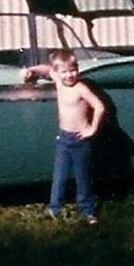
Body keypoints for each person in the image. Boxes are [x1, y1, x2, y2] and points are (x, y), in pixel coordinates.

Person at [21, 48, 106, 224]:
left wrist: (92, 128)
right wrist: (31, 70)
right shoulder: (59, 82)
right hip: (64, 139)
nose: (69, 75)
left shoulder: (80, 88)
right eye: (65, 72)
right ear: (58, 73)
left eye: (73, 70)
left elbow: (99, 106)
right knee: (59, 176)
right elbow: (47, 69)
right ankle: (54, 208)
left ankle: (87, 211)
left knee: (82, 177)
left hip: (80, 140)